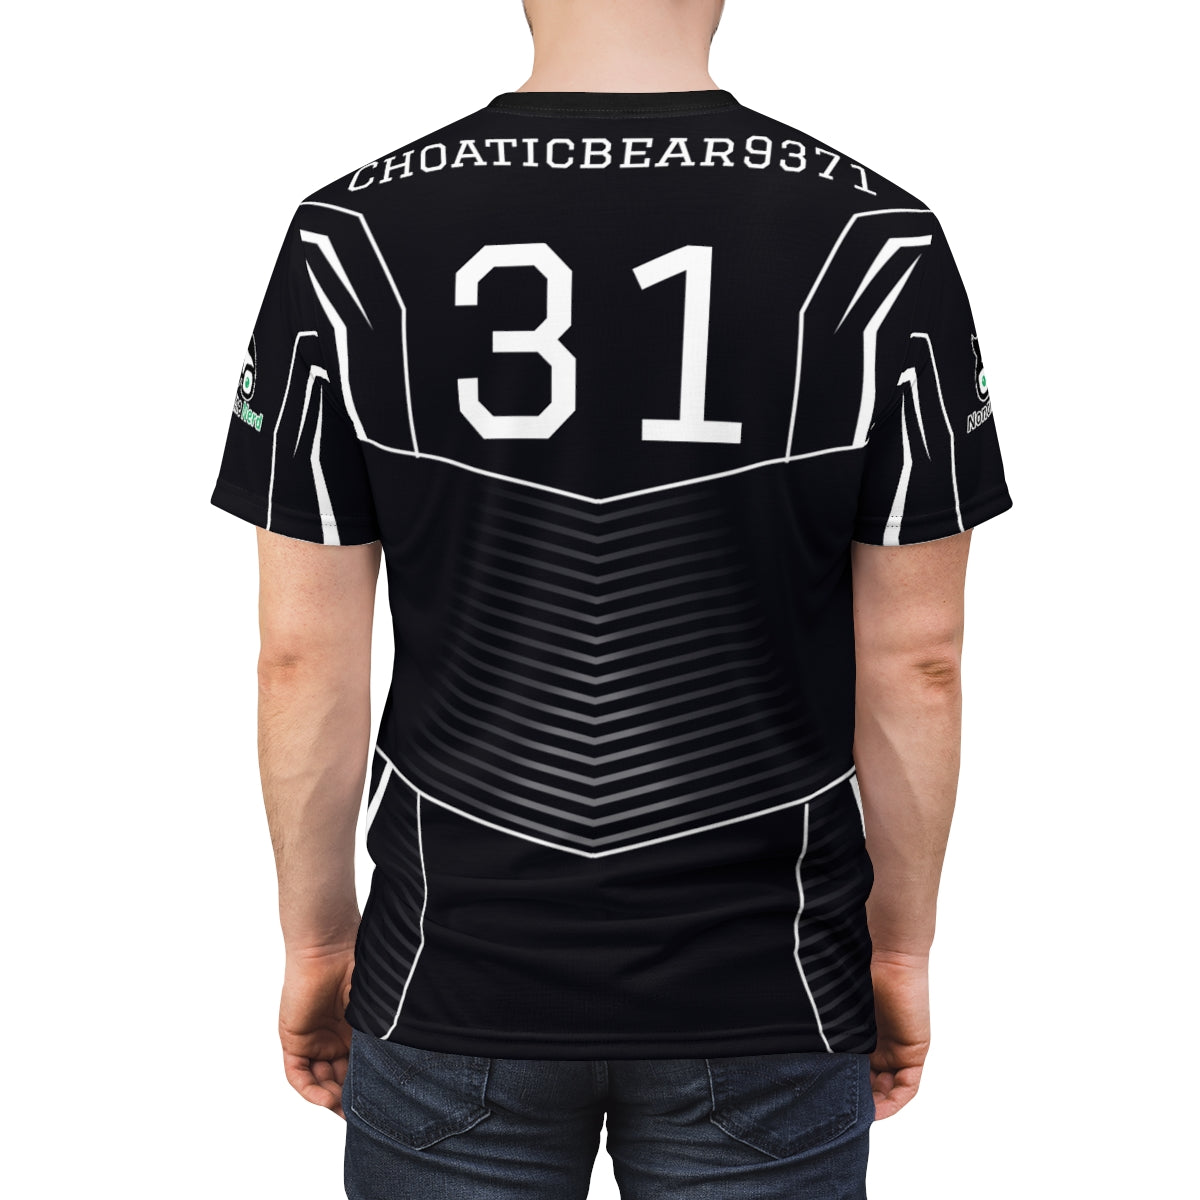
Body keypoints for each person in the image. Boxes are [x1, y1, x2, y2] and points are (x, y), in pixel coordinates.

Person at [210, 1, 1012, 1195]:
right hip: (771, 983)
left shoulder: (350, 238)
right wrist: (898, 950)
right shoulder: (877, 243)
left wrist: (319, 939)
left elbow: (301, 659)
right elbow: (919, 662)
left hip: (449, 971)